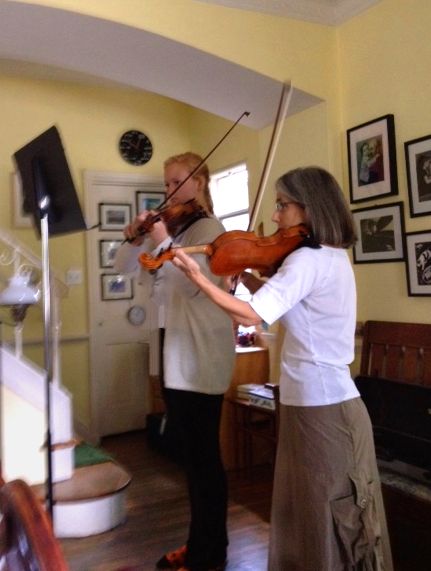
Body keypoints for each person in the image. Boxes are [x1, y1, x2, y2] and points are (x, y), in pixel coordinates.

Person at [172, 166, 394, 571]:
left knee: (330, 518)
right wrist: (249, 281)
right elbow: (283, 302)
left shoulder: (311, 260)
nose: (275, 216)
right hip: (307, 404)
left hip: (327, 409)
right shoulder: (320, 259)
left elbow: (250, 318)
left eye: (282, 205)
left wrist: (200, 279)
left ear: (308, 208)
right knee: (304, 516)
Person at [114, 152, 235, 571]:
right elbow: (122, 268)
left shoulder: (210, 230)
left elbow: (192, 289)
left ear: (198, 183)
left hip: (200, 357)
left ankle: (209, 554)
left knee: (203, 462)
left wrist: (164, 240)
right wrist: (134, 239)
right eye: (165, 184)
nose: (169, 191)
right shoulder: (179, 229)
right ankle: (199, 546)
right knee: (193, 461)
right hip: (174, 354)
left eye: (176, 181)